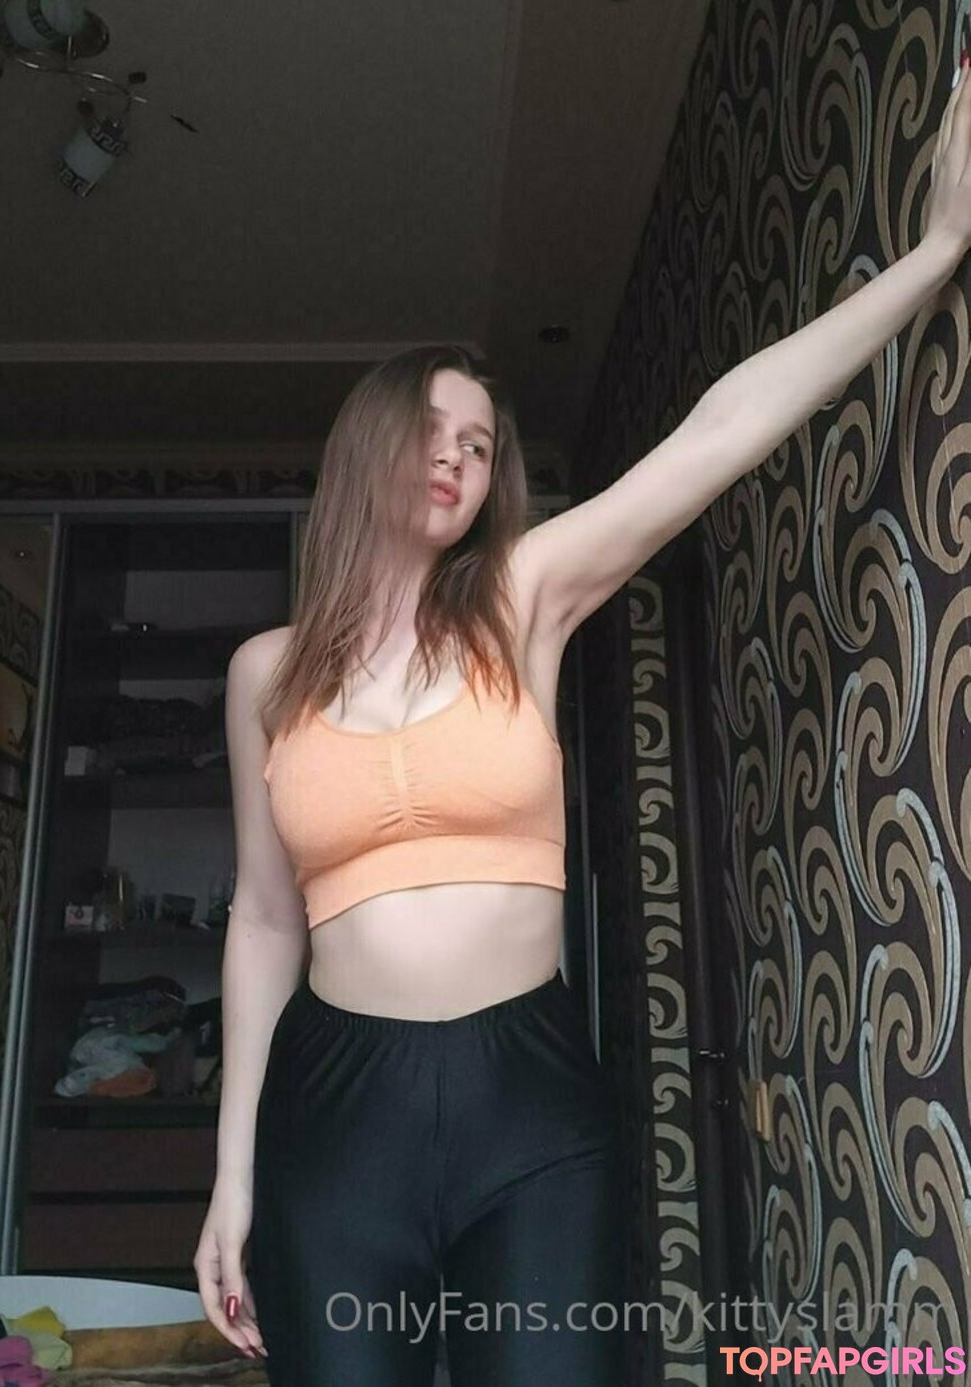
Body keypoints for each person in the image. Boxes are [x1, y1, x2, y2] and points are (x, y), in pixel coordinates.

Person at [194, 61, 971, 1384]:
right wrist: (233, 1178)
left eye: (481, 444)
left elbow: (719, 432)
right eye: (432, 427)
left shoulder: (523, 596)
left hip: (528, 1100)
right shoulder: (265, 674)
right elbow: (266, 921)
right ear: (365, 444)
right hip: (334, 1110)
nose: (457, 455)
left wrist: (937, 250)